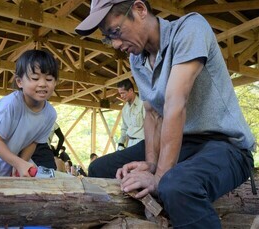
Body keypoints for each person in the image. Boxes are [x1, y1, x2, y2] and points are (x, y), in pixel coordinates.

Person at [75, 1, 256, 228]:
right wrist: (151, 163)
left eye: (115, 32)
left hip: (225, 146)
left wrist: (159, 176)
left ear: (140, 10)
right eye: (108, 38)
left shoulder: (190, 28)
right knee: (100, 169)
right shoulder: (137, 59)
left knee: (175, 185)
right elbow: (152, 114)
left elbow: (175, 104)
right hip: (183, 145)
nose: (116, 44)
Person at [116, 79, 145, 150]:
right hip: (130, 144)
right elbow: (124, 128)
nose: (121, 96)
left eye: (123, 93)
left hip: (142, 143)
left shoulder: (143, 104)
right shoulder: (124, 109)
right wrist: (121, 143)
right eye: (120, 94)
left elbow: (150, 126)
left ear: (131, 90)